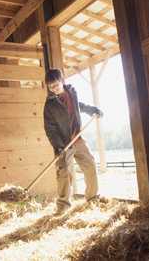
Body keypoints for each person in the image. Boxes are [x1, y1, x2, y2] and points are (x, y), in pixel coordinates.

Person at [43, 69, 103, 215]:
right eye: (51, 87)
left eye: (56, 85)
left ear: (62, 81)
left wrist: (92, 110)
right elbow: (50, 129)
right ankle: (63, 205)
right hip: (63, 144)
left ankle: (92, 198)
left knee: (90, 165)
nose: (54, 89)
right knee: (63, 173)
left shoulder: (72, 93)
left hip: (78, 138)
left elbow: (78, 106)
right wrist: (58, 146)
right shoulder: (49, 105)